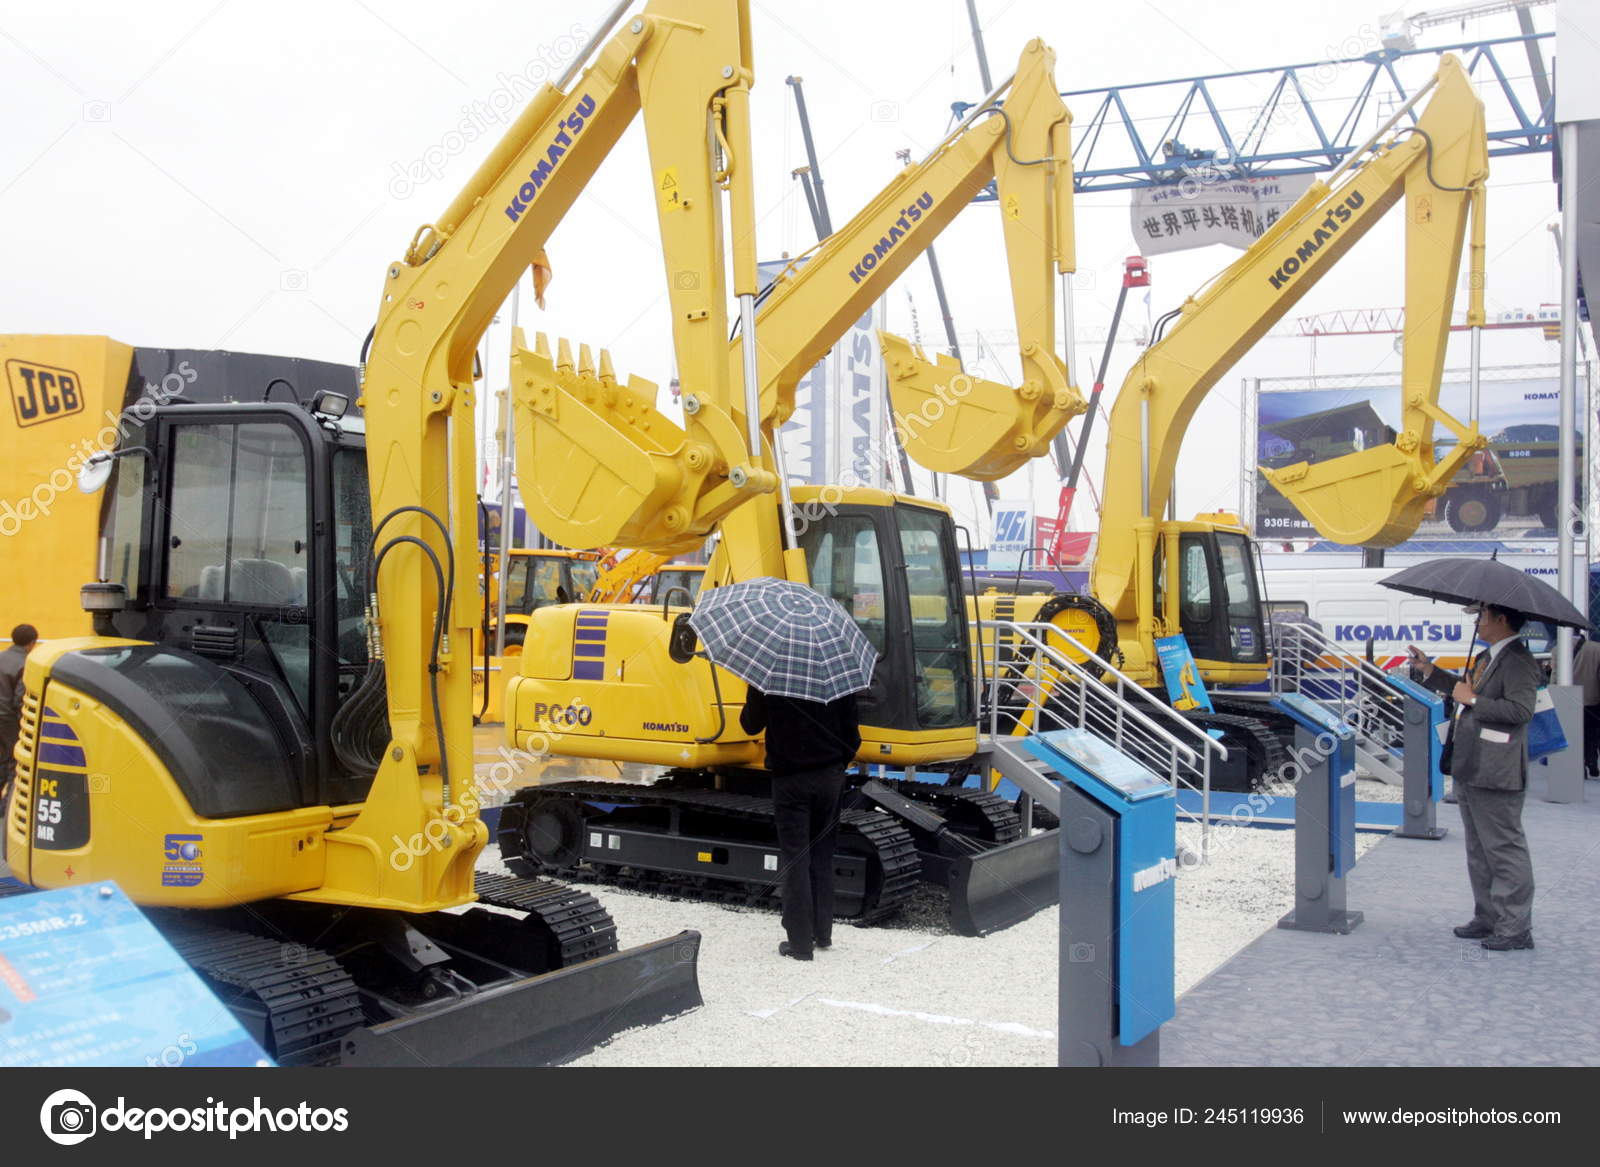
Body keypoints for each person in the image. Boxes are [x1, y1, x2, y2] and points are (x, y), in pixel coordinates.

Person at [1407, 603, 1542, 951]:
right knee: (1479, 848)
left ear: (1501, 619)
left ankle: (1515, 928)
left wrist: (1475, 700)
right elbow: (1461, 690)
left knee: (1503, 847)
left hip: (1497, 769)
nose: (1476, 622)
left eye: (1481, 616)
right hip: (1471, 764)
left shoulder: (1518, 661)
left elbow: (1520, 710)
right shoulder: (1487, 657)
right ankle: (1488, 917)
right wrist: (1429, 670)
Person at [740, 686, 861, 961]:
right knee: (822, 853)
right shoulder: (838, 676)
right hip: (830, 777)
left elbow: (750, 726)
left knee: (797, 858)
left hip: (790, 779)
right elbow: (852, 737)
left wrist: (754, 694)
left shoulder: (769, 677)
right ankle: (822, 932)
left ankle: (800, 944)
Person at [0, 624, 39, 798]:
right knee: (14, 763)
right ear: (32, 643)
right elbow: (19, 700)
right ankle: (7, 805)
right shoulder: (25, 664)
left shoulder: (1, 657)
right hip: (9, 722)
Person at [1573, 633, 1600, 779]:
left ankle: (1579, 766)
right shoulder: (1597, 649)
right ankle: (1592, 762)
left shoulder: (1557, 650)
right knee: (1592, 734)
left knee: (1574, 735)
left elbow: (1555, 677)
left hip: (1568, 701)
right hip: (1592, 700)